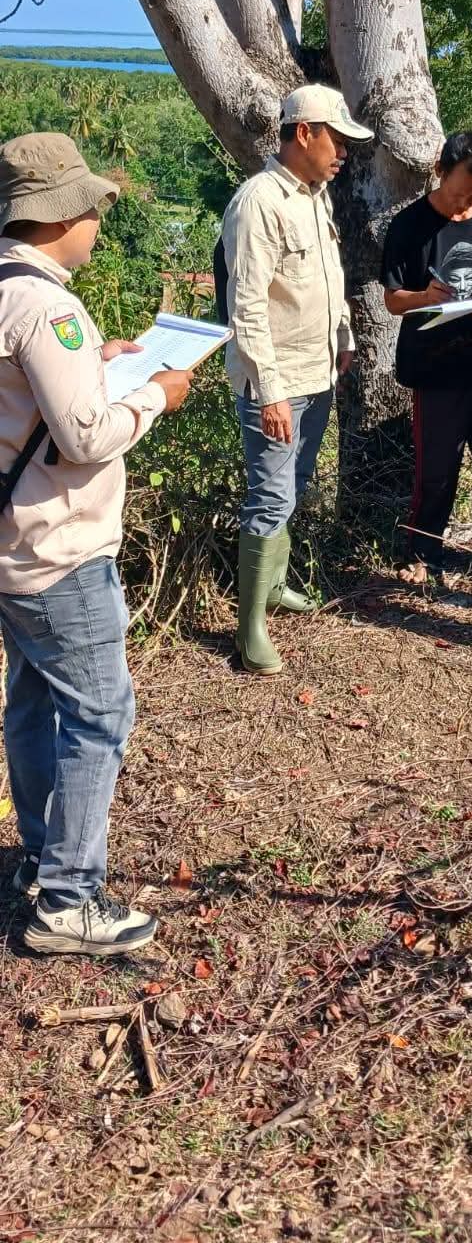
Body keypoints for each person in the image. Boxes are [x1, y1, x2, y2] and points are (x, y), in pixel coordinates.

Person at [0, 133, 191, 955]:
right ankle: (69, 900)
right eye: (91, 212)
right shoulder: (48, 306)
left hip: (13, 547)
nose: (98, 228)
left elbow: (37, 406)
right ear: (59, 216)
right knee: (99, 712)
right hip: (59, 549)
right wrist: (154, 394)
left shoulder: (9, 291)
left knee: (34, 704)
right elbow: (83, 436)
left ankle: (42, 856)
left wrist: (99, 363)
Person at [221, 85, 372, 675]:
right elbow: (248, 306)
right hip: (277, 381)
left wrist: (345, 341)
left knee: (295, 483)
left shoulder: (314, 196)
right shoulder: (259, 201)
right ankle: (249, 626)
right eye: (337, 140)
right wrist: (270, 390)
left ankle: (275, 585)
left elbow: (327, 278)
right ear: (305, 132)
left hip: (316, 372)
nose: (343, 154)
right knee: (271, 495)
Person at [381, 131, 472, 583]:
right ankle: (422, 554)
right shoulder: (409, 224)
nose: (468, 204)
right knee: (437, 464)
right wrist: (425, 296)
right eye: (462, 192)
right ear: (440, 171)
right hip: (434, 361)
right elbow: (392, 299)